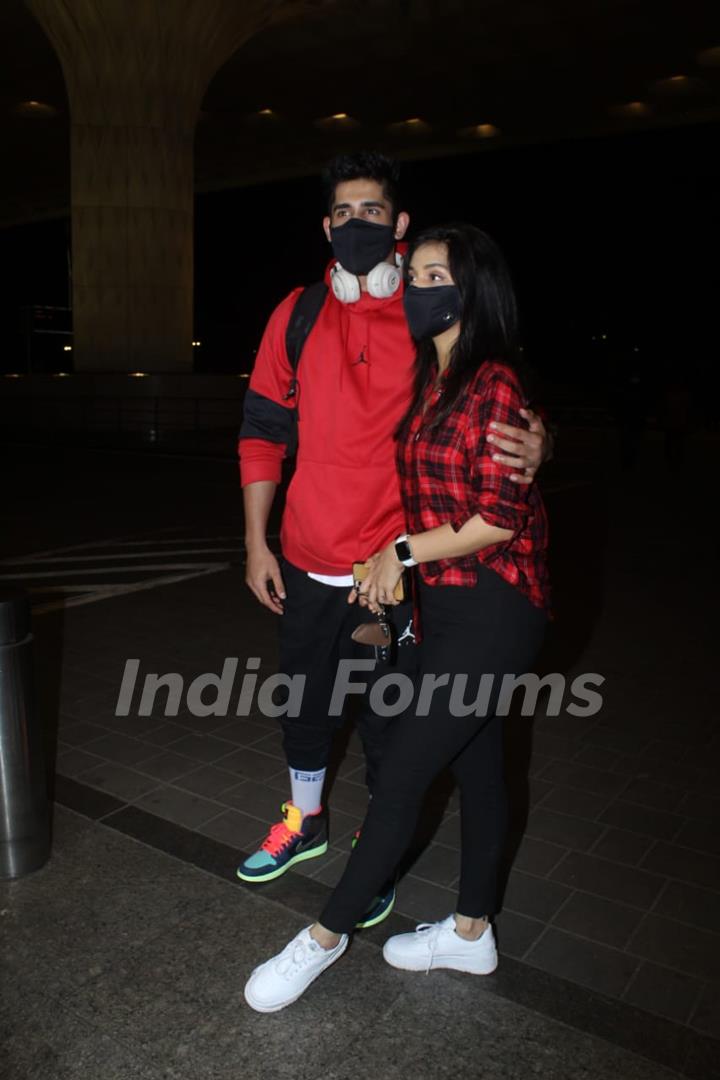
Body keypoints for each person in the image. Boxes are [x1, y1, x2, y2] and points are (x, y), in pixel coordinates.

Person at [243, 223, 551, 1012]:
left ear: (473, 287)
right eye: (411, 276)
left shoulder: (493, 381)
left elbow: (499, 516)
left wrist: (402, 553)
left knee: (405, 773)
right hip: (442, 609)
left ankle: (323, 937)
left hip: (495, 603)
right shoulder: (431, 380)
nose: (418, 289)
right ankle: (473, 934)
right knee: (481, 770)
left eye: (436, 275)